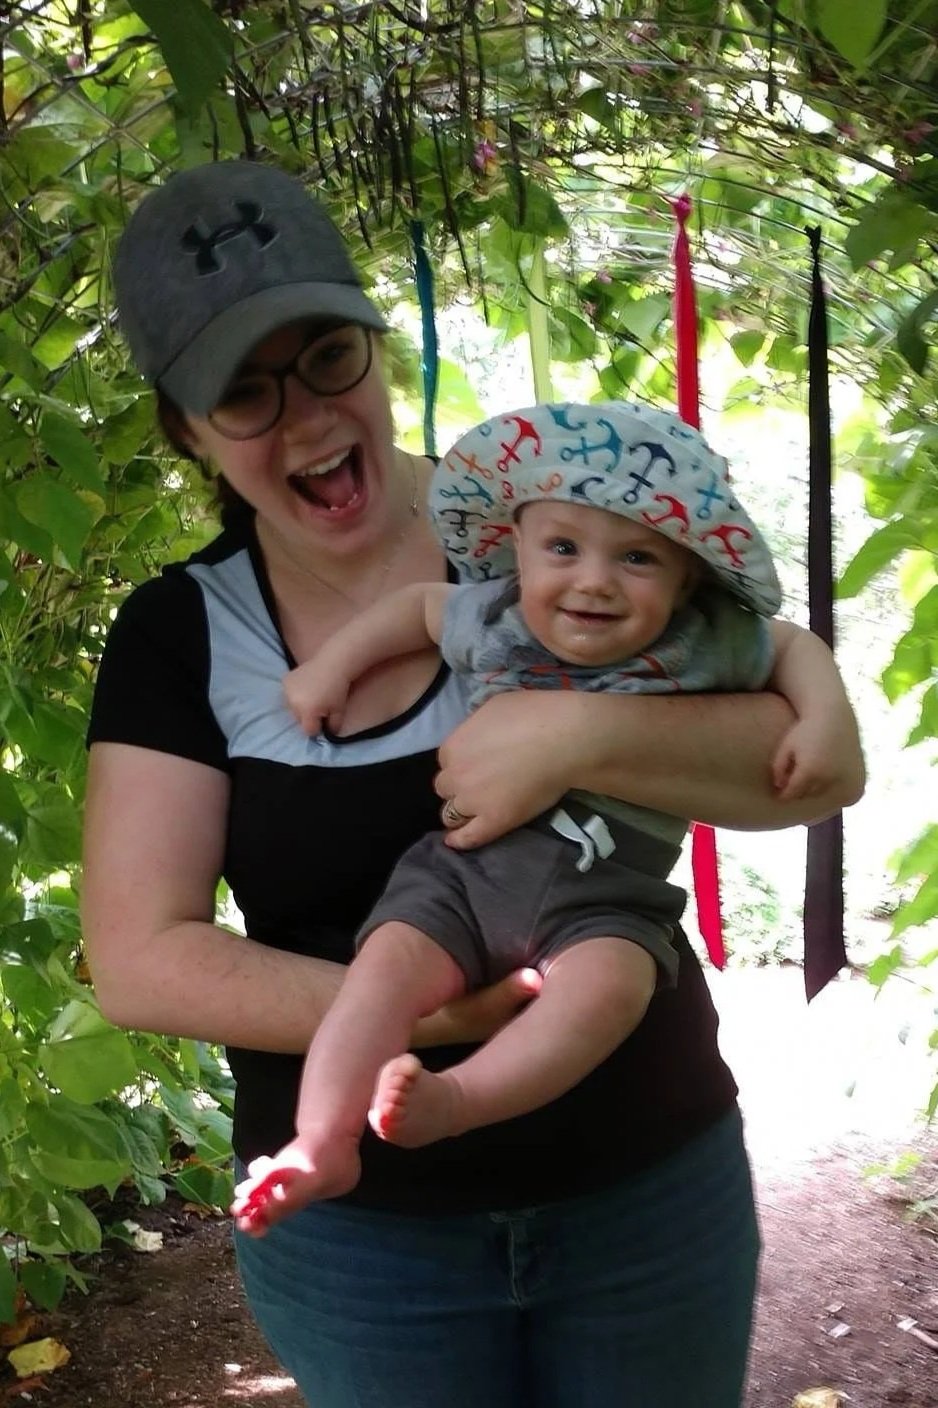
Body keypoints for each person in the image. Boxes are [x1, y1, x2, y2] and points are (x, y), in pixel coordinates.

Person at [82, 158, 865, 1408]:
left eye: (327, 356)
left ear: (375, 350)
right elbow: (140, 961)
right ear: (186, 430)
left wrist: (576, 737)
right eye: (243, 391)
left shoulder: (550, 532)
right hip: (367, 1245)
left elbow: (805, 775)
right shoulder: (181, 634)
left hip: (644, 1186)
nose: (306, 416)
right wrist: (435, 1016)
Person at [232, 398, 848, 1231]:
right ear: (515, 547)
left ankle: (458, 1100)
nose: (594, 580)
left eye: (637, 557)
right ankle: (321, 1141)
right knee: (380, 975)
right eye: (563, 547)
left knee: (610, 991)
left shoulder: (700, 641)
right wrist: (331, 668)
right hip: (464, 874)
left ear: (686, 578)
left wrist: (822, 717)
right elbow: (416, 609)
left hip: (608, 899)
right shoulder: (495, 618)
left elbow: (792, 646)